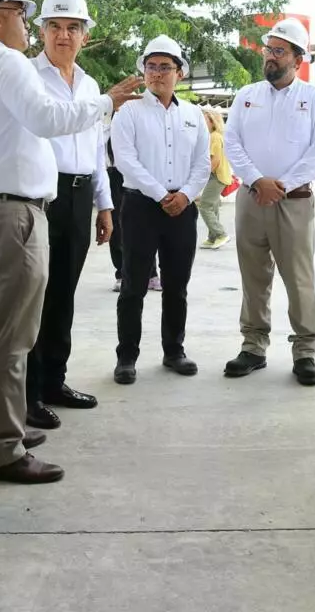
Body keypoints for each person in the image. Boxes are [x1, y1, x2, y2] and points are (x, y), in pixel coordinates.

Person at [0, 0, 141, 483]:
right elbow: (47, 118)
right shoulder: (8, 62)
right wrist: (106, 103)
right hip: (12, 212)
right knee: (11, 337)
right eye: (23, 14)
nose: (30, 26)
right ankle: (3, 447)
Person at [222, 18, 315, 386]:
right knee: (253, 276)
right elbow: (232, 142)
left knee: (299, 279)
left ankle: (305, 351)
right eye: (268, 49)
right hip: (251, 199)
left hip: (294, 202)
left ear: (297, 60)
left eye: (279, 51)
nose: (269, 56)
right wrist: (257, 181)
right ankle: (253, 346)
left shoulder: (314, 99)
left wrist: (282, 186)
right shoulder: (247, 95)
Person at [26, 0, 112, 428]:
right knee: (34, 298)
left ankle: (53, 381)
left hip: (80, 196)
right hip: (43, 195)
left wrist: (104, 204)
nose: (64, 35)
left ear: (85, 36)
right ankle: (27, 393)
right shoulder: (27, 76)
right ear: (41, 31)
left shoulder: (90, 85)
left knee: (63, 295)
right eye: (55, 26)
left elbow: (96, 149)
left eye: (73, 27)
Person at [111, 36, 210, 384]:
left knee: (177, 285)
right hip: (140, 206)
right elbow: (125, 160)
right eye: (150, 66)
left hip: (182, 209)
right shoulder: (129, 111)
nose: (156, 73)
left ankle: (174, 351)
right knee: (133, 285)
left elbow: (203, 163)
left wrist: (185, 195)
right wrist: (160, 195)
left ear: (180, 73)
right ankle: (126, 357)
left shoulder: (193, 115)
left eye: (165, 67)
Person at [105, 111, 160, 292]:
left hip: (138, 174)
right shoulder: (106, 125)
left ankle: (151, 273)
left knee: (145, 224)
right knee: (117, 225)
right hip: (114, 175)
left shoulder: (140, 121)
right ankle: (122, 273)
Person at [195, 107, 233, 249]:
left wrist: (202, 177)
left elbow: (215, 160)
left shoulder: (214, 137)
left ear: (212, 121)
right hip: (220, 175)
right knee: (213, 206)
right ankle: (213, 237)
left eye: (205, 119)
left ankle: (221, 234)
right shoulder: (216, 135)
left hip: (216, 176)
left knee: (204, 205)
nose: (202, 122)